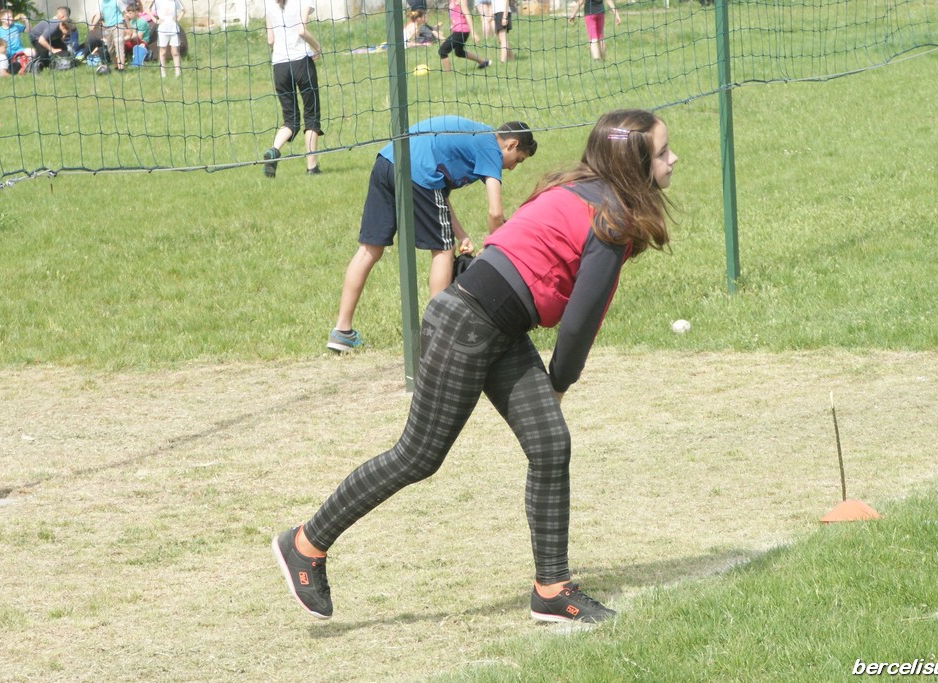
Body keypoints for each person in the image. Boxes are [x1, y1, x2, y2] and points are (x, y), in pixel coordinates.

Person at [274, 108, 678, 625]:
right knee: (417, 456)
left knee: (550, 444)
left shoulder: (578, 189)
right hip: (467, 324)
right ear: (633, 164)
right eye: (663, 152)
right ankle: (305, 543)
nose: (673, 159)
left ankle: (552, 590)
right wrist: (558, 383)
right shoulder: (610, 219)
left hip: (494, 325)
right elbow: (581, 321)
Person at [326, 116, 537, 353]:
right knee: (443, 251)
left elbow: (440, 196)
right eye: (517, 160)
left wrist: (461, 235)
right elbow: (496, 213)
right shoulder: (491, 147)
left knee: (369, 249)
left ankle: (342, 331)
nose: (512, 167)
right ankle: (437, 335)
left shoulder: (474, 137)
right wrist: (495, 251)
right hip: (418, 171)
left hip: (387, 160)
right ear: (511, 145)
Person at [262, 0, 324, 178]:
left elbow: (270, 40)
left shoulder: (269, 3)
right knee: (311, 115)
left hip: (279, 65)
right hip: (301, 62)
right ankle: (312, 167)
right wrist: (317, 47)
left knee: (291, 119)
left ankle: (274, 150)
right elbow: (301, 30)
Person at [439, 0, 489, 71]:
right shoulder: (451, 1)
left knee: (442, 51)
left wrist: (473, 33)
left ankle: (447, 74)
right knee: (459, 52)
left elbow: (467, 15)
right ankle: (483, 62)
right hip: (458, 30)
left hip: (461, 31)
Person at [151, 0, 185, 77]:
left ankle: (177, 72)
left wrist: (178, 19)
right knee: (163, 51)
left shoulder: (175, 1)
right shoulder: (158, 2)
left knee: (175, 52)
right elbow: (148, 10)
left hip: (174, 29)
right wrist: (155, 20)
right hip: (162, 30)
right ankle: (163, 72)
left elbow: (183, 10)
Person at [0, 8, 31, 74]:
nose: (11, 18)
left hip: (19, 50)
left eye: (12, 16)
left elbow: (28, 30)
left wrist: (26, 21)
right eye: (9, 17)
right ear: (2, 19)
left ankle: (27, 67)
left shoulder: (15, 26)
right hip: (7, 53)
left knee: (32, 52)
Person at [100, 0, 126, 70]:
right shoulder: (101, 3)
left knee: (119, 46)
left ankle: (121, 68)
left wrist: (129, 28)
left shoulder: (117, 1)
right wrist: (93, 24)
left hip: (118, 25)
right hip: (108, 28)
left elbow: (124, 14)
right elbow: (99, 15)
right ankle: (116, 66)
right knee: (110, 50)